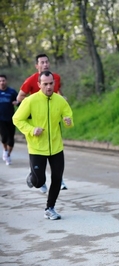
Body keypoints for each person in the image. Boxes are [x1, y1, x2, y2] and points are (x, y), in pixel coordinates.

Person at [13, 70, 74, 220]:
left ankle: (50, 208)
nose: (48, 87)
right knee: (39, 181)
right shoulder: (30, 101)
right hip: (37, 148)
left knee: (57, 178)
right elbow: (17, 119)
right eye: (45, 84)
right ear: (39, 84)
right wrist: (32, 130)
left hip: (56, 147)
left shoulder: (60, 100)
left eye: (51, 83)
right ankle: (32, 177)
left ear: (54, 83)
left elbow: (69, 118)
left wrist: (68, 121)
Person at [17, 53, 67, 192]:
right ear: (36, 65)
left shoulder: (55, 77)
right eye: (42, 62)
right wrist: (32, 112)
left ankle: (58, 178)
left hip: (53, 117)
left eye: (46, 61)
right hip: (37, 122)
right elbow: (20, 97)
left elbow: (58, 92)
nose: (45, 64)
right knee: (41, 152)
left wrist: (62, 99)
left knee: (55, 149)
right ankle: (37, 176)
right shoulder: (30, 80)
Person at [0, 74, 18, 165]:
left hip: (11, 118)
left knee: (11, 139)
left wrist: (17, 102)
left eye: (3, 80)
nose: (2, 82)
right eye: (0, 81)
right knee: (4, 137)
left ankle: (8, 154)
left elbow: (19, 102)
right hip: (1, 119)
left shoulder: (12, 92)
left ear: (6, 81)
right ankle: (5, 150)